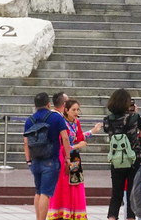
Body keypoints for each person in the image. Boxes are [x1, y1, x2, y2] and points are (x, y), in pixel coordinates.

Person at [47, 99, 102, 220]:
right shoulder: (61, 123)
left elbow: (80, 137)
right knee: (64, 188)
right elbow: (61, 147)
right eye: (73, 110)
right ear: (66, 110)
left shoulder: (76, 122)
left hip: (75, 159)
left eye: (77, 109)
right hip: (64, 159)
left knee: (76, 186)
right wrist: (77, 146)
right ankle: (62, 214)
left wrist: (93, 131)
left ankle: (74, 215)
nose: (76, 112)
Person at [25, 92, 71, 220]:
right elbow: (65, 138)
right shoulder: (56, 118)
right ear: (48, 104)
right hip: (51, 160)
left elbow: (25, 142)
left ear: (35, 105)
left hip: (35, 160)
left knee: (38, 191)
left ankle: (38, 218)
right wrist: (67, 157)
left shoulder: (30, 120)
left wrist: (28, 161)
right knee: (46, 193)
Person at [103, 88, 141, 220]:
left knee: (116, 194)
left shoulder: (107, 120)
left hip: (116, 159)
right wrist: (134, 114)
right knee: (131, 193)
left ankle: (112, 217)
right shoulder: (134, 117)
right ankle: (130, 218)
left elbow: (107, 130)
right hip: (134, 158)